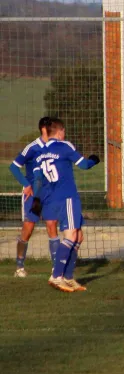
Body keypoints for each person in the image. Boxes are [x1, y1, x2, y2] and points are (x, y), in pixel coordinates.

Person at [32, 118, 100, 292]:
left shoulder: (40, 154)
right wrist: (94, 160)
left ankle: (68, 278)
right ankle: (57, 276)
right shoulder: (64, 146)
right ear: (60, 131)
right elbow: (84, 165)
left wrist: (38, 200)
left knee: (78, 237)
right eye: (64, 131)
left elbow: (38, 180)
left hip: (51, 198)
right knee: (70, 236)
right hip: (67, 197)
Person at [8, 117, 59, 278]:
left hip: (50, 194)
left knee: (52, 226)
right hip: (33, 195)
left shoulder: (56, 147)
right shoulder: (32, 148)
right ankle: (19, 266)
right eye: (52, 128)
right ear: (44, 129)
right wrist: (26, 184)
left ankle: (56, 268)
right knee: (28, 230)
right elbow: (14, 167)